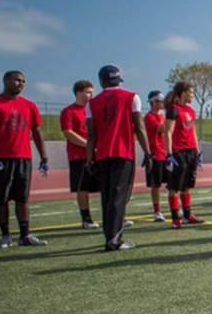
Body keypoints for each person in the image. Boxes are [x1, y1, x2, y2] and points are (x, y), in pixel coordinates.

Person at [0, 70, 48, 248]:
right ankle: (5, 235)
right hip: (2, 159)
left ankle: (25, 235)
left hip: (23, 158)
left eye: (23, 81)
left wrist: (43, 156)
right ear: (6, 80)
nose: (21, 84)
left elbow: (37, 132)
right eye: (17, 80)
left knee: (22, 198)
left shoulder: (30, 105)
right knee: (2, 199)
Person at [86, 65, 150, 251]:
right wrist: (148, 152)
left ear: (101, 81)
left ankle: (109, 236)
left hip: (102, 155)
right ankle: (114, 239)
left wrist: (89, 159)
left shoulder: (93, 103)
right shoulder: (132, 97)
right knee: (119, 197)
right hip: (123, 154)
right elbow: (139, 127)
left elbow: (91, 134)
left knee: (107, 196)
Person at [60, 80, 99, 229]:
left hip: (97, 154)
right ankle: (86, 219)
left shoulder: (94, 110)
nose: (91, 95)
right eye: (88, 92)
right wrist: (88, 146)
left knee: (105, 186)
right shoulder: (68, 111)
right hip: (79, 157)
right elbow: (68, 133)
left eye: (92, 92)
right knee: (82, 188)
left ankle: (112, 218)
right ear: (78, 92)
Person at [163, 81, 203, 228]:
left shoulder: (191, 111)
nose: (192, 95)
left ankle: (187, 215)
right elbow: (168, 132)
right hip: (178, 153)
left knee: (187, 186)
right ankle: (175, 219)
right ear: (183, 93)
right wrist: (169, 154)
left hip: (191, 152)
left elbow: (192, 132)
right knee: (174, 188)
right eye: (191, 92)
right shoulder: (173, 110)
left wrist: (197, 152)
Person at [143, 91, 168, 221]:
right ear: (153, 102)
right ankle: (157, 211)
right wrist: (174, 116)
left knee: (173, 182)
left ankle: (175, 207)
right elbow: (162, 129)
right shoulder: (149, 117)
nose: (162, 103)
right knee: (156, 185)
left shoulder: (163, 116)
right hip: (155, 155)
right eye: (160, 101)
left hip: (166, 154)